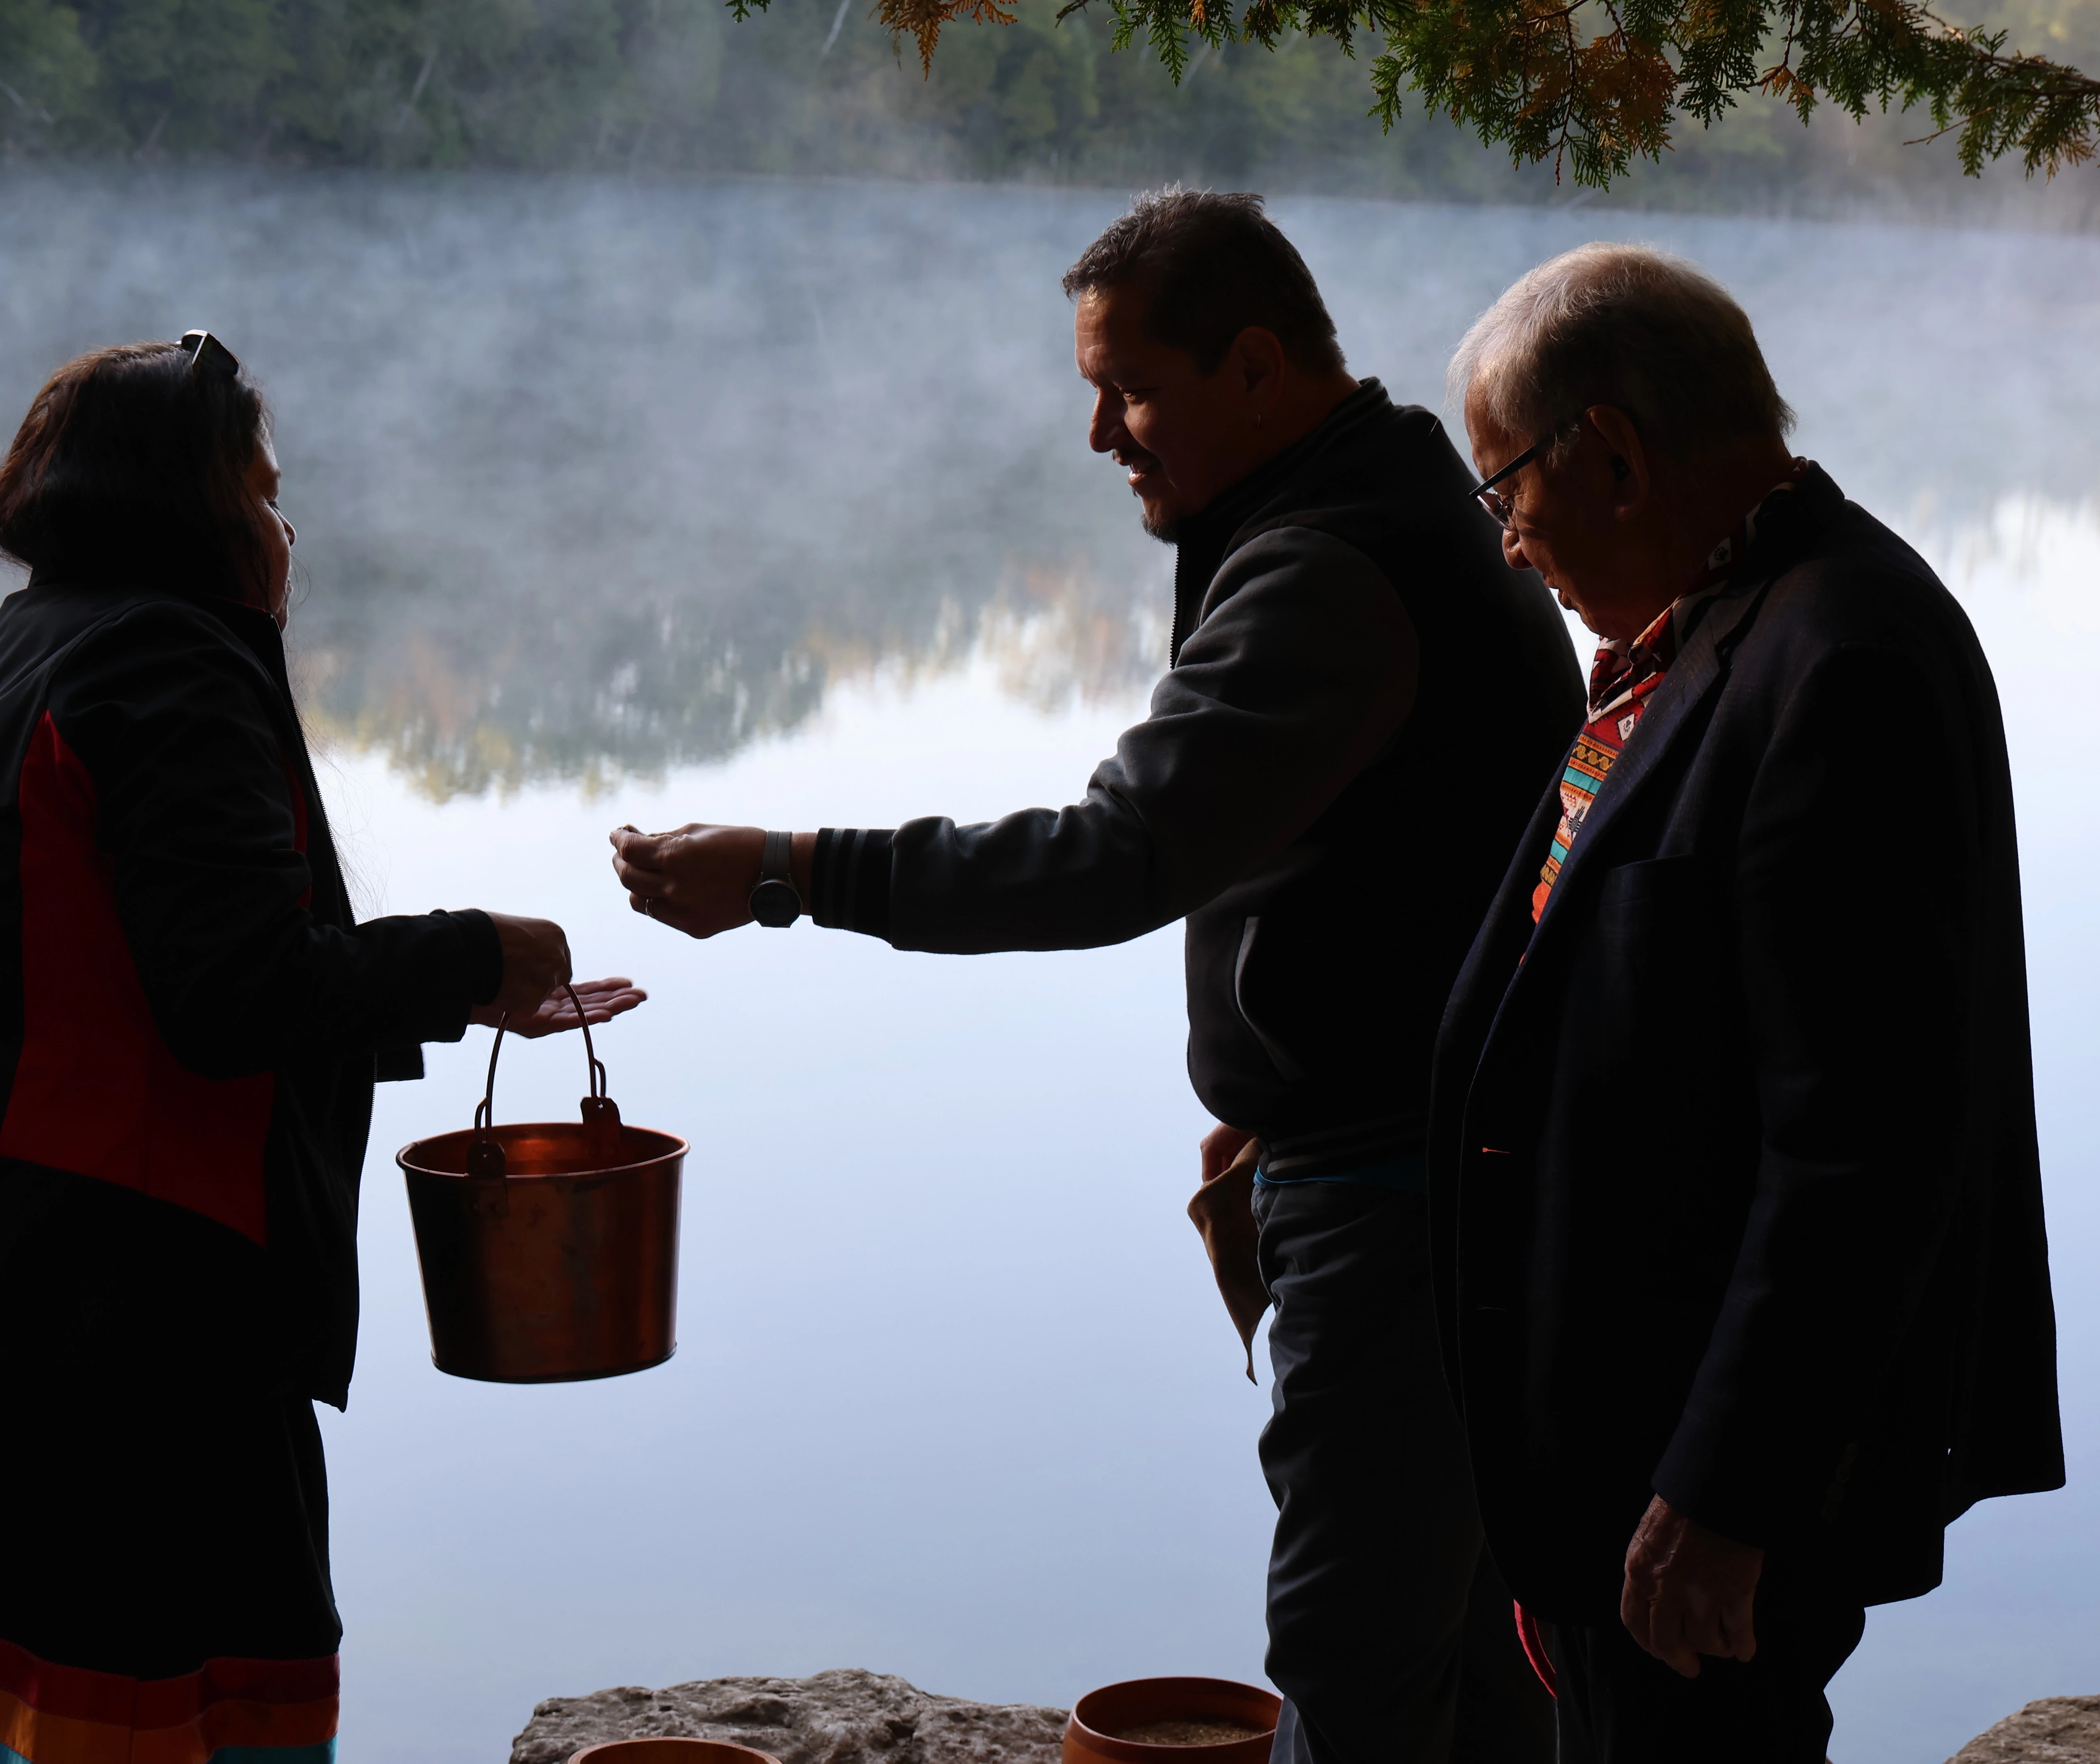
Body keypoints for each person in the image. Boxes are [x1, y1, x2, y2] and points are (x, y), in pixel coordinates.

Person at [611, 189, 1580, 1764]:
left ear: (1256, 367)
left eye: (1125, 392)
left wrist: (791, 871)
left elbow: (1117, 860)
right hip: (1439, 1152)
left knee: (1359, 1649)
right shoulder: (1383, 499)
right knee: (1470, 1656)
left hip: (1407, 1196)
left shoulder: (1331, 566)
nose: (1098, 437)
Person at [0, 332, 641, 1764]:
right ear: (192, 506)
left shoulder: (31, 644)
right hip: (102, 1355)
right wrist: (473, 955)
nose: (284, 525)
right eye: (261, 489)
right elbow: (235, 992)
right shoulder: (165, 660)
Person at [1430, 245, 2065, 1761]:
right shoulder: (1715, 625)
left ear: (1618, 458)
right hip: (1622, 1455)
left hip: (1701, 1487)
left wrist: (1728, 1490)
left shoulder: (1838, 661)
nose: (1510, 546)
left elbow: (1865, 1140)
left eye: (1504, 490)